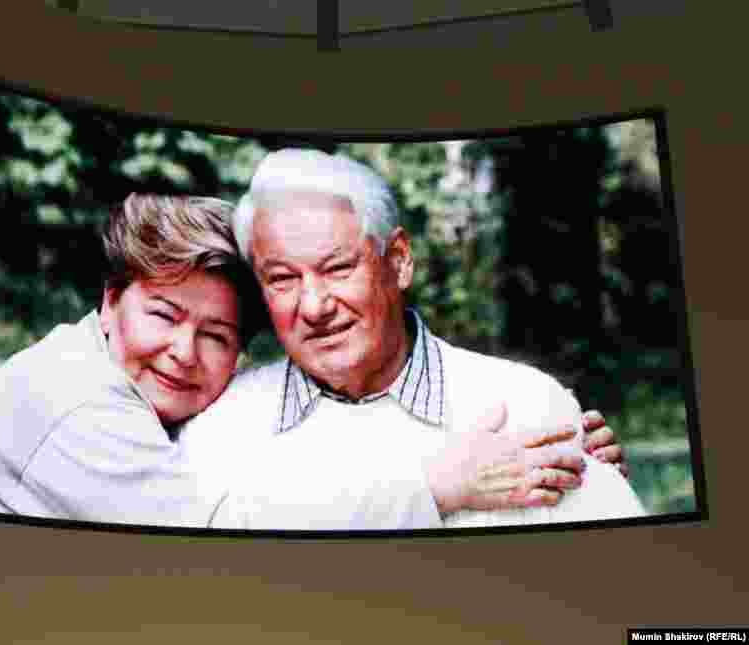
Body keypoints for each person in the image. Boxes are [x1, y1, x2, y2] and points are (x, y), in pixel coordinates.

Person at [0, 193, 606, 528]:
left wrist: (573, 456)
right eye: (165, 315)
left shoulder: (106, 378)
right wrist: (437, 483)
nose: (184, 352)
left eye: (216, 335)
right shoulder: (79, 399)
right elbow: (228, 537)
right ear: (110, 299)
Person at [171, 149, 645, 530]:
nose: (313, 306)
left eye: (338, 268)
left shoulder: (526, 406)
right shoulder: (219, 433)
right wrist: (430, 491)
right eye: (281, 279)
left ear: (398, 261)